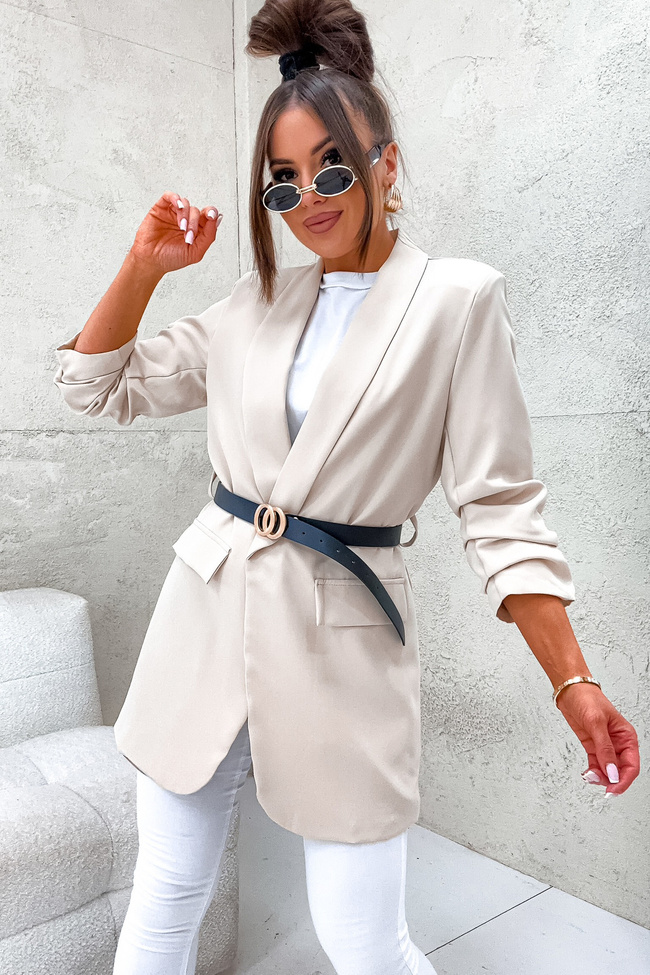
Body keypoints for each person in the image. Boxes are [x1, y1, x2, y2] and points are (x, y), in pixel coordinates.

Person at [52, 1, 640, 973]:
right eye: (282, 181)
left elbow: (499, 507)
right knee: (166, 896)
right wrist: (144, 268)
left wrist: (571, 679)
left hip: (343, 639)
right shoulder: (254, 301)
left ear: (386, 164)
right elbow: (94, 388)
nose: (309, 197)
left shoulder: (456, 301)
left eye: (331, 166)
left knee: (362, 938)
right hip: (204, 617)